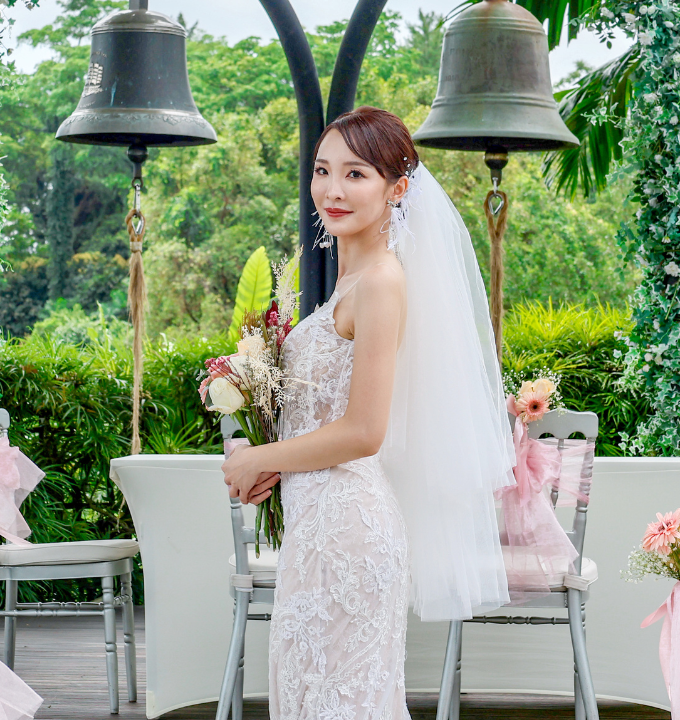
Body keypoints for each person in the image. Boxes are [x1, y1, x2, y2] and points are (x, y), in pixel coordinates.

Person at [220, 106, 516, 719]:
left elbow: (363, 431)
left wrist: (256, 456)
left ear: (397, 188)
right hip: (316, 529)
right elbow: (321, 415)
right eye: (323, 170)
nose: (332, 189)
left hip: (348, 535)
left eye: (356, 174)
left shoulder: (381, 282)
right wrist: (275, 468)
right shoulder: (349, 284)